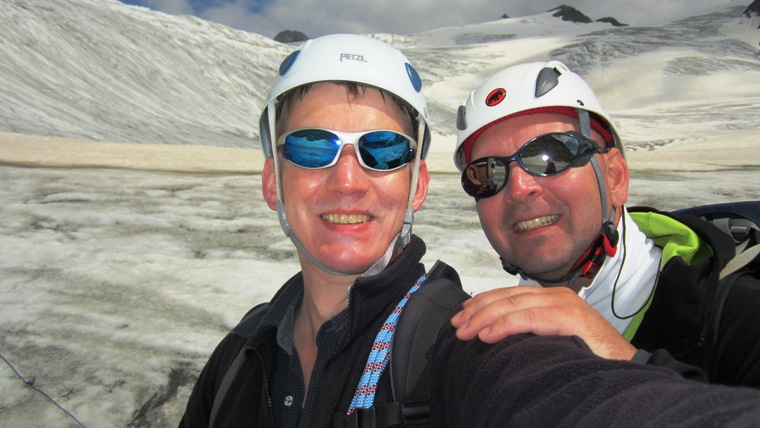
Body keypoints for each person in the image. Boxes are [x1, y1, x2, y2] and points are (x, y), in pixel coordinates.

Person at [179, 35, 760, 428]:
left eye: (383, 151)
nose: (348, 180)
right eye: (312, 147)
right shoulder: (239, 356)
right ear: (272, 182)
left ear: (418, 186)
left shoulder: (460, 344)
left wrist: (623, 359)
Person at [450, 60, 760, 387]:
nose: (519, 188)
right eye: (487, 173)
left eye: (551, 155)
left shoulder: (743, 320)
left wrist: (622, 359)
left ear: (614, 178)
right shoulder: (488, 342)